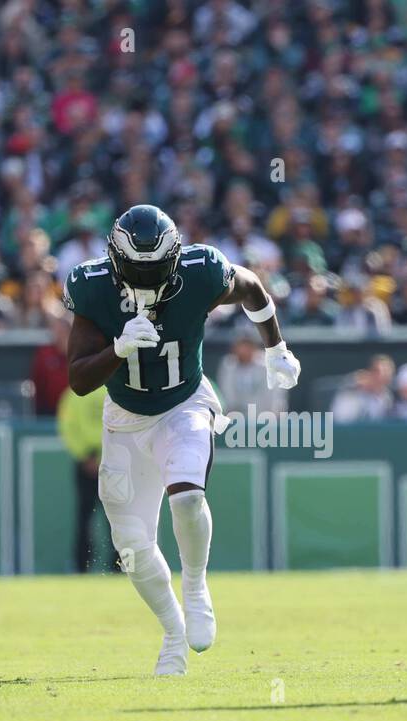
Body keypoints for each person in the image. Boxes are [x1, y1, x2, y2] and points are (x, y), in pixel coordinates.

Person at [65, 204, 301, 675]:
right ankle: (172, 633)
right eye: (137, 269)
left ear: (174, 258)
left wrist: (276, 349)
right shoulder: (91, 287)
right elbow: (78, 379)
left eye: (156, 269)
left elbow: (253, 286)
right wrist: (118, 349)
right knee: (130, 545)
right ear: (115, 260)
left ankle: (195, 586)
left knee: (187, 499)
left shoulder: (201, 271)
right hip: (125, 419)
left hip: (185, 404)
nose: (147, 279)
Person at [58, 383, 111, 573]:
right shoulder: (75, 393)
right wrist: (92, 457)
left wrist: (88, 457)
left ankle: (88, 567)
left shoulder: (74, 393)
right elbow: (67, 427)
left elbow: (67, 428)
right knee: (90, 518)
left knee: (113, 519)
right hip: (106, 464)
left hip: (106, 463)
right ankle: (83, 567)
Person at [216, 326, 286, 415]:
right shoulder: (228, 365)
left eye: (247, 344)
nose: (243, 349)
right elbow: (227, 396)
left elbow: (275, 397)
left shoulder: (267, 364)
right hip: (237, 419)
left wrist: (271, 417)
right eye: (241, 344)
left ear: (254, 346)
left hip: (265, 419)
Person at [329, 354, 395, 423]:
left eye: (386, 372)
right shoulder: (352, 389)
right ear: (371, 372)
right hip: (342, 428)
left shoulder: (387, 397)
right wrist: (354, 381)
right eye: (377, 371)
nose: (382, 376)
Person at [29, 314, 71, 415]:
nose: (59, 334)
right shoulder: (45, 353)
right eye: (57, 330)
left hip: (74, 409)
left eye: (63, 331)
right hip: (47, 411)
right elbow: (37, 384)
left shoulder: (79, 353)